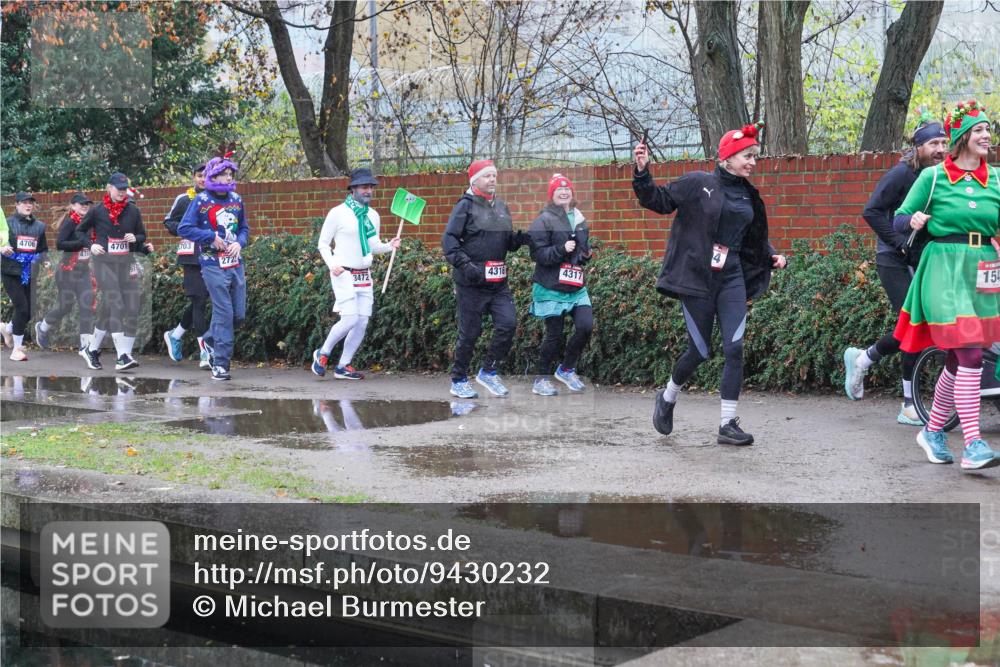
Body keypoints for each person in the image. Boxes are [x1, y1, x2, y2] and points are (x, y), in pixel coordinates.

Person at [633, 124, 787, 445]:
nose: (752, 162)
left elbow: (751, 238)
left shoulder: (748, 194)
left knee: (735, 347)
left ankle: (727, 424)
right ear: (727, 158)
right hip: (697, 280)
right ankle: (668, 397)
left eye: (755, 156)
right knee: (700, 351)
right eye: (747, 156)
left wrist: (771, 254)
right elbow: (657, 200)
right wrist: (642, 172)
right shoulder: (698, 183)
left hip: (731, 279)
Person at [893, 99, 1000, 471]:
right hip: (943, 266)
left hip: (984, 267)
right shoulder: (933, 177)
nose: (987, 135)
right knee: (970, 352)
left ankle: (933, 430)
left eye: (988, 129)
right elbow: (897, 219)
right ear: (962, 137)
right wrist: (914, 220)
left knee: (958, 358)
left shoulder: (997, 179)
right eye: (979, 130)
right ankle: (973, 443)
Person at [843, 115, 953, 424]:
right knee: (914, 323)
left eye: (944, 143)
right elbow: (872, 211)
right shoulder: (902, 174)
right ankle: (908, 404)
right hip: (893, 260)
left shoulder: (940, 175)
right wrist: (897, 242)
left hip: (923, 258)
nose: (940, 149)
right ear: (918, 147)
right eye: (933, 143)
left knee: (916, 327)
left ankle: (863, 358)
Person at [442, 159, 528, 399]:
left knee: (508, 324)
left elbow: (507, 242)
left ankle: (488, 372)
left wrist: (522, 239)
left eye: (494, 175)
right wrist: (466, 266)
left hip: (498, 281)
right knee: (470, 333)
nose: (493, 179)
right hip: (471, 282)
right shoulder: (465, 206)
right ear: (475, 180)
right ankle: (458, 379)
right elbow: (449, 241)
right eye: (487, 175)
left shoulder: (501, 206)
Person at [312, 168, 400, 380]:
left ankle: (343, 365)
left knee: (362, 322)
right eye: (363, 187)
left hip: (364, 274)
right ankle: (322, 353)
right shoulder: (338, 212)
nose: (368, 190)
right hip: (343, 272)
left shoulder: (373, 215)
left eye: (370, 187)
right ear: (353, 189)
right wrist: (332, 264)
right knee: (350, 318)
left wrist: (389, 246)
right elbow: (323, 244)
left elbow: (373, 245)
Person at [177, 151, 249, 381]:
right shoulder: (201, 200)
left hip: (235, 263)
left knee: (238, 315)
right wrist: (209, 237)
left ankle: (208, 340)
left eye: (230, 174)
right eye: (223, 174)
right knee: (224, 313)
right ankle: (221, 364)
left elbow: (245, 229)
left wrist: (239, 242)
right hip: (211, 264)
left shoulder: (237, 200)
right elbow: (184, 228)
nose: (229, 178)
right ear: (213, 177)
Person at [527, 173, 594, 396]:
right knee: (554, 335)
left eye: (567, 189)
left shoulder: (579, 217)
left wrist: (585, 254)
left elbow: (582, 249)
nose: (564, 192)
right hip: (550, 286)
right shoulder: (543, 220)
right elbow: (537, 254)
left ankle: (566, 369)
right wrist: (560, 250)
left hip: (575, 286)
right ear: (552, 195)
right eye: (559, 190)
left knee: (585, 326)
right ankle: (541, 379)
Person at [75, 173, 146, 371]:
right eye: (118, 188)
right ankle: (122, 356)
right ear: (109, 188)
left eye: (124, 189)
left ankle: (92, 350)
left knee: (117, 307)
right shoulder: (97, 211)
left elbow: (142, 234)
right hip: (103, 263)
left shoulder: (133, 210)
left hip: (124, 264)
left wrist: (135, 237)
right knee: (115, 300)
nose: (122, 192)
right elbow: (80, 231)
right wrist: (91, 245)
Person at [162, 163, 211, 369]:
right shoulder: (184, 199)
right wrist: (184, 229)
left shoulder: (218, 199)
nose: (203, 179)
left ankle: (175, 334)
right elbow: (169, 222)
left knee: (201, 299)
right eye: (200, 176)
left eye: (206, 176)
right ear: (194, 177)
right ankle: (205, 353)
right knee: (198, 300)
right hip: (191, 256)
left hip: (213, 255)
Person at [35, 193, 97, 354]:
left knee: (87, 306)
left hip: (83, 271)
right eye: (82, 204)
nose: (85, 206)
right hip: (66, 272)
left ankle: (86, 346)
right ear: (73, 206)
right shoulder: (70, 223)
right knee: (65, 306)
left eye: (87, 204)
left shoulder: (90, 224)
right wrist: (82, 243)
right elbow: (60, 244)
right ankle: (42, 328)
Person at [1, 192, 48, 361]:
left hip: (29, 273)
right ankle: (16, 350)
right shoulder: (7, 224)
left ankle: (7, 329)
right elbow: (1, 242)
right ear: (17, 204)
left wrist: (45, 260)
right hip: (10, 272)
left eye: (31, 203)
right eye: (24, 202)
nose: (28, 205)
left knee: (28, 312)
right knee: (21, 308)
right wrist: (2, 248)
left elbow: (42, 249)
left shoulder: (40, 227)